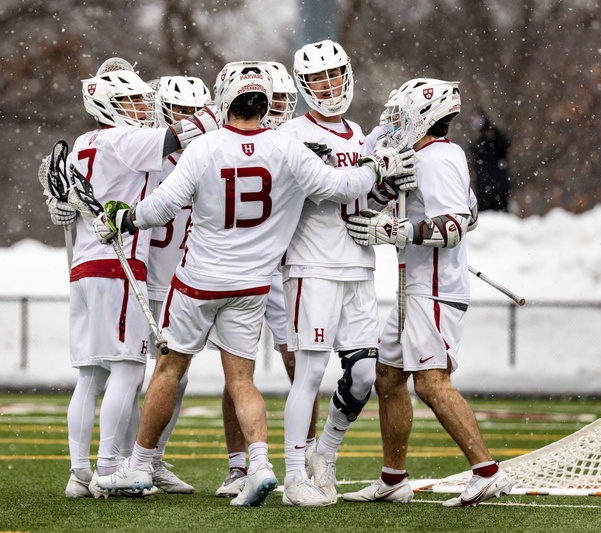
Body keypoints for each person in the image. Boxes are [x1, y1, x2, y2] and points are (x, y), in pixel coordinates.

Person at [92, 60, 413, 506]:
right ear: (264, 104)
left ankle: (141, 464)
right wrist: (378, 167)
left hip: (199, 281)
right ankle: (259, 464)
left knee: (169, 371)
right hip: (252, 286)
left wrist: (123, 219)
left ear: (225, 100)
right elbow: (341, 187)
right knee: (243, 381)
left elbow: (162, 206)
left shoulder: (206, 147)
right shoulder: (286, 148)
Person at [343, 78, 514, 507]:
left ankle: (487, 471)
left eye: (400, 116)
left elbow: (455, 226)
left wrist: (397, 230)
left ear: (424, 117)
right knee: (387, 377)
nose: (393, 123)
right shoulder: (435, 155)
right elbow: (470, 214)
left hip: (433, 290)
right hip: (415, 287)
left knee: (432, 383)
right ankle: (393, 478)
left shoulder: (438, 159)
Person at [54, 57, 218, 499]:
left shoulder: (84, 143)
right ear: (106, 104)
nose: (141, 108)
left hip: (85, 265)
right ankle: (111, 470)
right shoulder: (125, 139)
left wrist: (60, 204)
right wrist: (223, 108)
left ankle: (79, 473)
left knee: (91, 376)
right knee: (128, 370)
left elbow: (69, 196)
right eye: (129, 100)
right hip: (120, 264)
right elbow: (180, 134)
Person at [275, 39, 389, 507]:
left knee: (364, 374)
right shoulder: (292, 133)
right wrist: (374, 170)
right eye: (318, 78)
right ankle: (293, 476)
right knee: (310, 373)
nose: (328, 85)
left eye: (334, 74)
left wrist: (387, 190)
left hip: (358, 265)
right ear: (304, 85)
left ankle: (324, 452)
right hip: (312, 264)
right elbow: (329, 189)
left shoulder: (358, 132)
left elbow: (363, 195)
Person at [213, 60, 322, 499]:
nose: (276, 111)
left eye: (281, 103)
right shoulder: (225, 139)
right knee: (236, 371)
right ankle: (238, 466)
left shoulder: (295, 140)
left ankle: (305, 460)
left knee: (300, 364)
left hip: (285, 267)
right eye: (270, 103)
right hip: (238, 265)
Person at [140, 74, 213, 494]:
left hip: (183, 283)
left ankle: (151, 458)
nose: (188, 120)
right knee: (130, 375)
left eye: (195, 112)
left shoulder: (208, 157)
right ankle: (120, 460)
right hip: (144, 279)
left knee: (176, 378)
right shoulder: (147, 154)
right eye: (180, 112)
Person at [470, 107, 511, 212]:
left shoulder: (496, 139)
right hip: (484, 187)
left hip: (498, 186)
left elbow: (504, 144)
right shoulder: (479, 144)